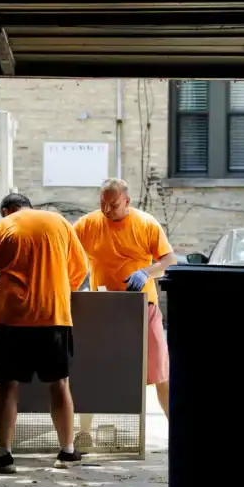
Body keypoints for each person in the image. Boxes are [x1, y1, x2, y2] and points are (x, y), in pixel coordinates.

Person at [0, 193, 89, 473]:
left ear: (7, 210)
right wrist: (59, 289)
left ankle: (5, 456)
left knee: (7, 386)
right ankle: (66, 451)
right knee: (59, 383)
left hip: (13, 320)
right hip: (54, 317)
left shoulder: (1, 228)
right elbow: (81, 267)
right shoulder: (60, 223)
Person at [72, 179, 176, 448]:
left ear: (127, 201)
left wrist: (146, 272)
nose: (107, 209)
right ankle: (84, 433)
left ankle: (178, 433)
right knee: (90, 369)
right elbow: (67, 253)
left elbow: (169, 261)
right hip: (102, 308)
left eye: (114, 204)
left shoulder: (146, 224)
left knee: (161, 373)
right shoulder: (87, 224)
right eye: (103, 203)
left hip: (143, 308)